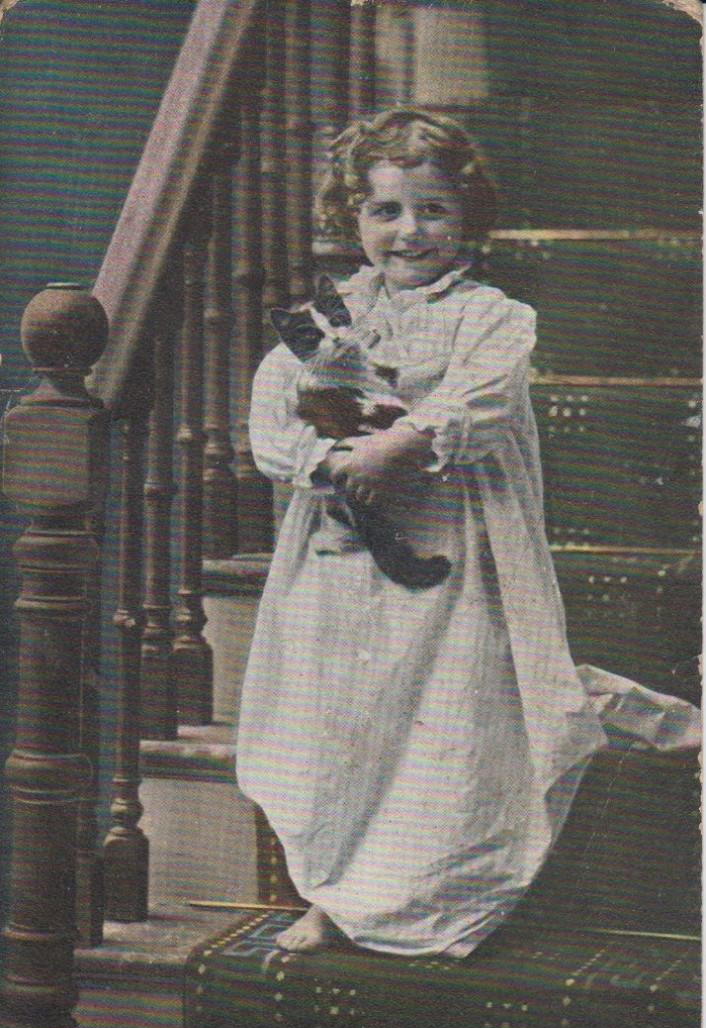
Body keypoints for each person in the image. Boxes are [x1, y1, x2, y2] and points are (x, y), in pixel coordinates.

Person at [235, 108, 700, 958]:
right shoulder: (329, 319)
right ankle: (335, 894)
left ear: (467, 216)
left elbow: (476, 402)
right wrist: (332, 463)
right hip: (341, 561)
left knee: (455, 708)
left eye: (432, 210)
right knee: (342, 715)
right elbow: (275, 415)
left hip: (460, 549)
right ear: (355, 220)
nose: (409, 231)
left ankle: (437, 893)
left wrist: (397, 443)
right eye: (386, 211)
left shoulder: (493, 316)